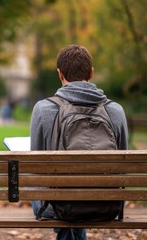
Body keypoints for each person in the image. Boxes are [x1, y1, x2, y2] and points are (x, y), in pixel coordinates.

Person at [30, 44, 128, 240]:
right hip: (106, 204)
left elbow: (36, 165)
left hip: (57, 205)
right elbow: (122, 164)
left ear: (60, 74)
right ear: (91, 73)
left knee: (40, 187)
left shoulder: (43, 109)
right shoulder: (115, 110)